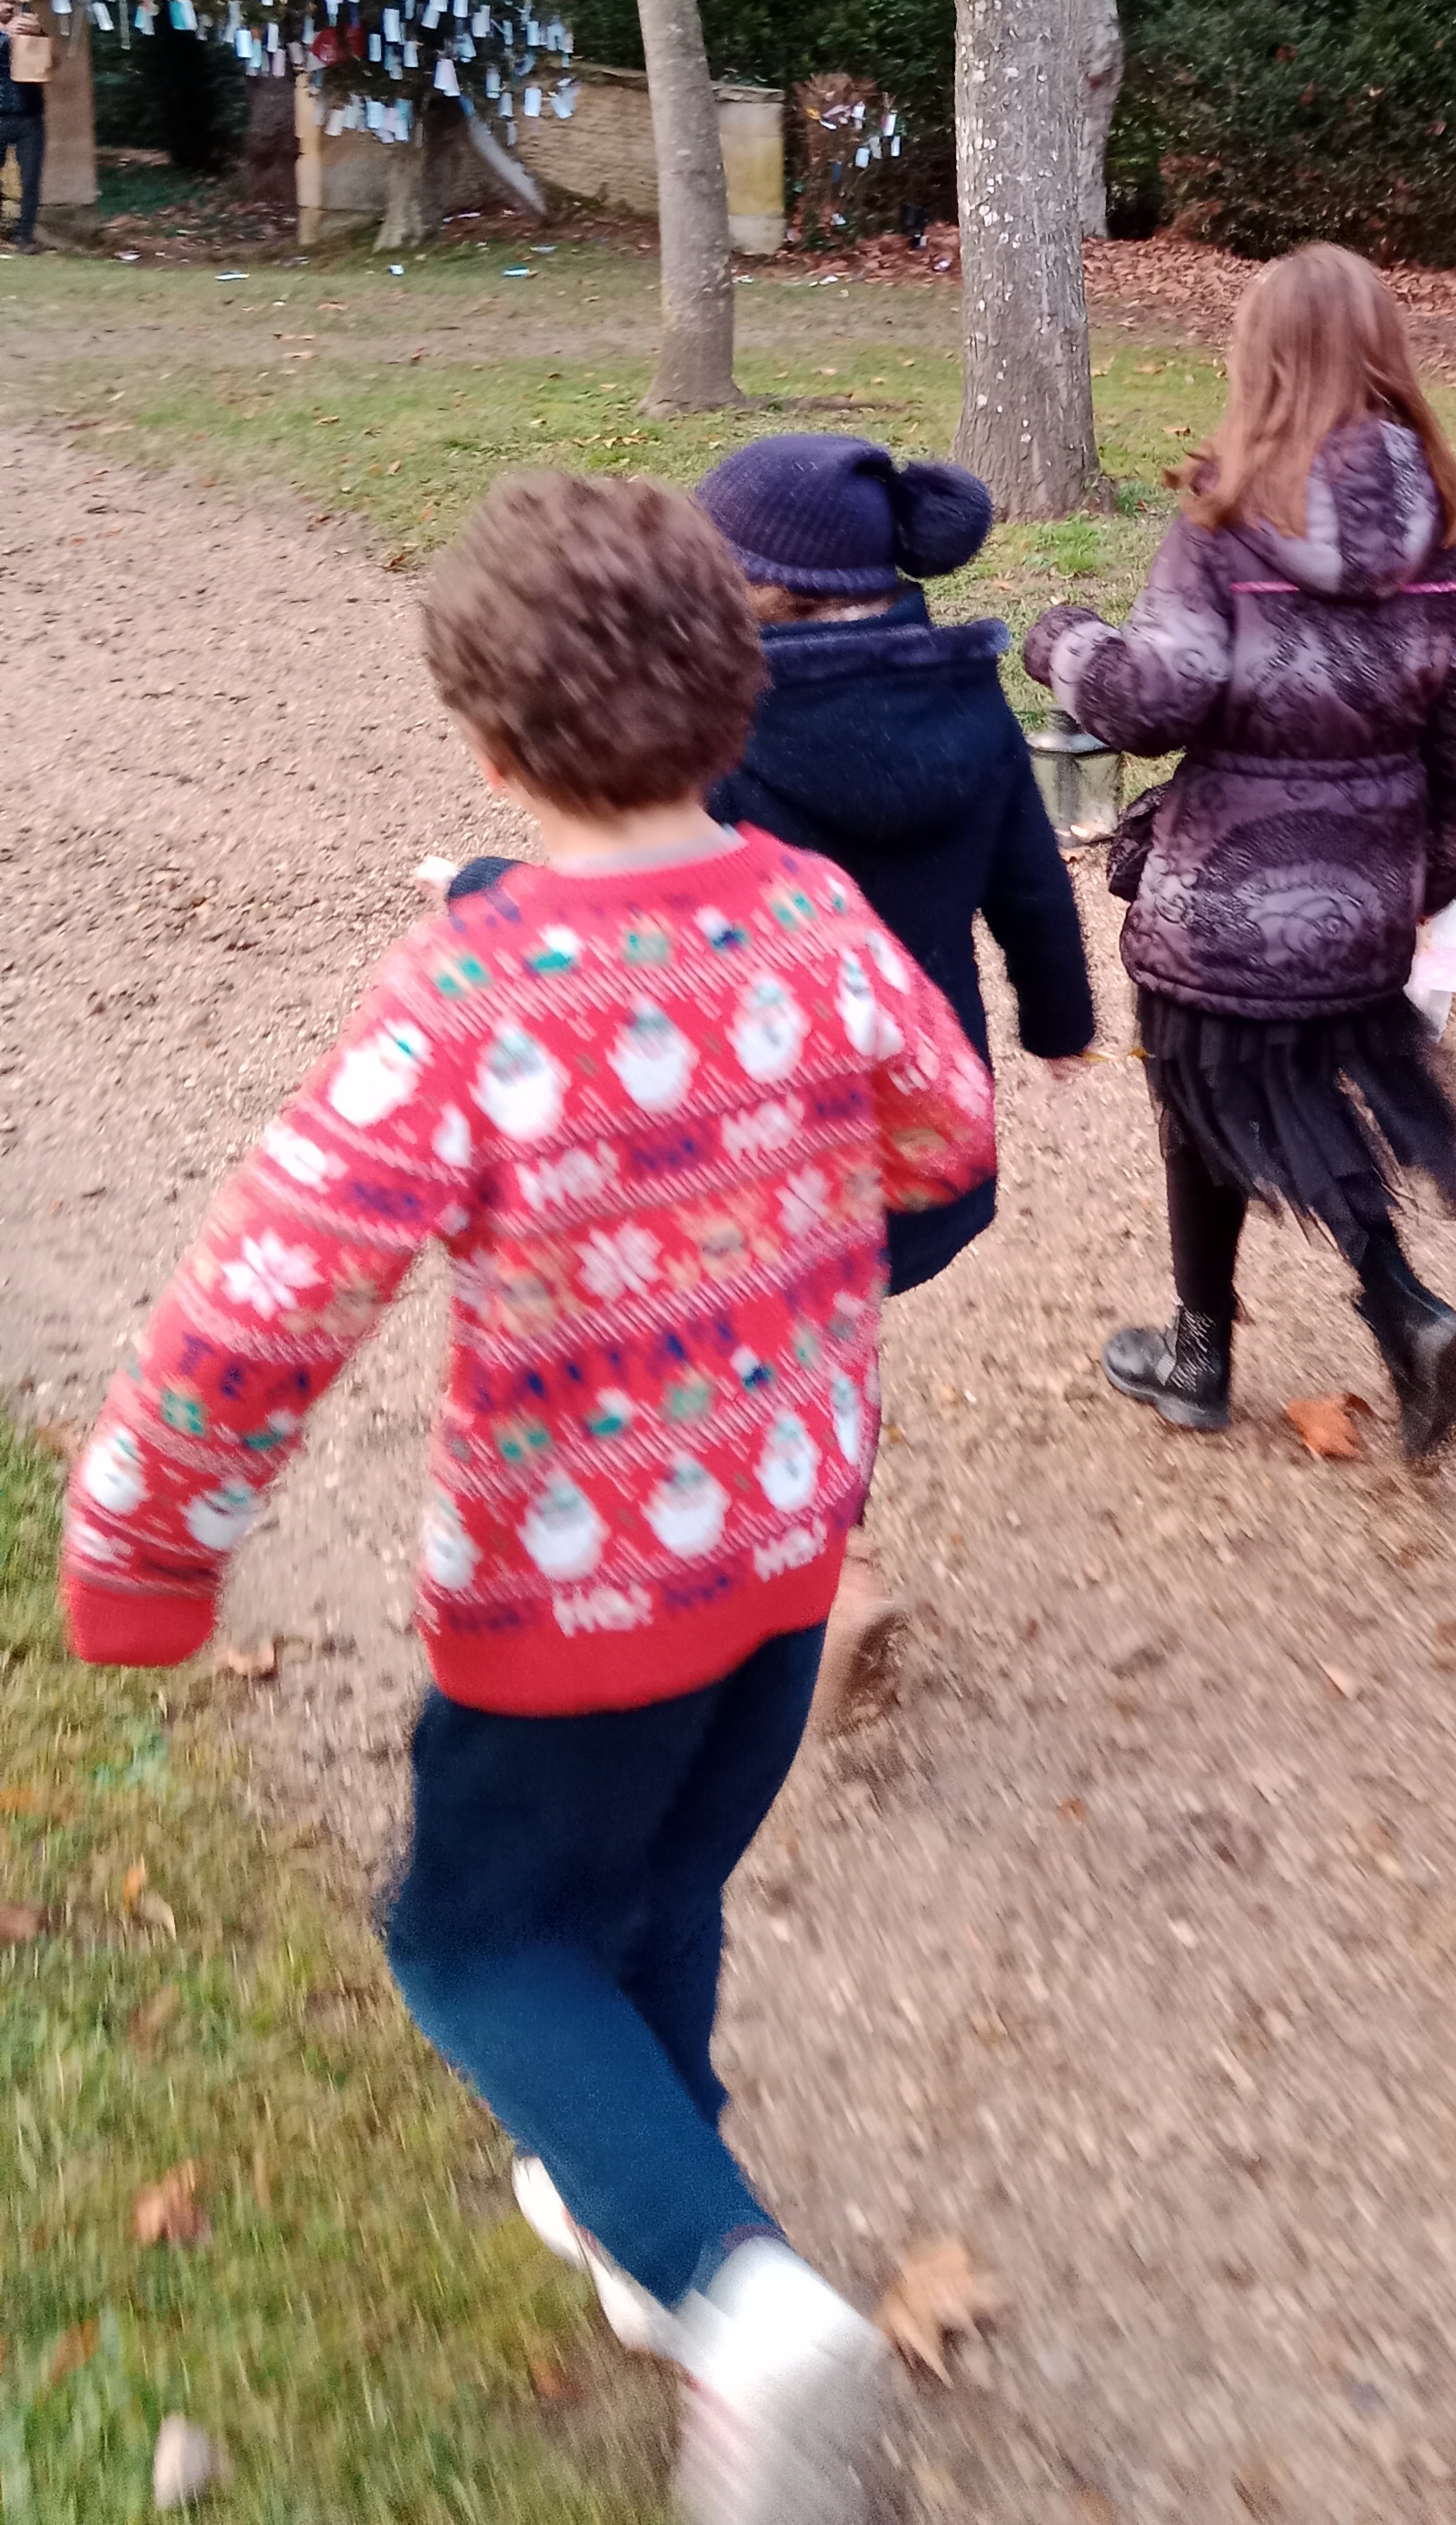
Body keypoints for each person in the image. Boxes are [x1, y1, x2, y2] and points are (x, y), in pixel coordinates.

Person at [61, 472, 996, 2525]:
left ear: (487, 744)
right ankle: (665, 2217)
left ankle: (738, 2296)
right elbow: (947, 1131)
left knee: (479, 1934)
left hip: (571, 1601)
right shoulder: (814, 914)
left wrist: (144, 1539)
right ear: (738, 698)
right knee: (657, 1890)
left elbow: (267, 1295)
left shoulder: (471, 984)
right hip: (782, 1546)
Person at [1023, 242, 1456, 1458]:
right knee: (1290, 1097)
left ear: (1261, 362)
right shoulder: (1439, 533)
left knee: (1200, 1097)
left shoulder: (1226, 523)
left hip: (1221, 903)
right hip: (1364, 902)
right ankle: (1386, 1314)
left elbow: (1152, 702)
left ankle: (1228, 1348)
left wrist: (1062, 641)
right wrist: (1421, 886)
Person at [696, 433, 1095, 1715]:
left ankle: (794, 1560)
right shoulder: (966, 701)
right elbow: (1029, 880)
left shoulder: (721, 728)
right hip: (912, 1102)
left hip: (756, 1110)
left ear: (765, 588)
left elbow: (647, 894)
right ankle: (831, 1557)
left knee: (751, 1329)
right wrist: (1060, 1023)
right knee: (838, 1322)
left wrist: (496, 897)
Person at [0, 0, 49, 250]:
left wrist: (38, 34)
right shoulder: (6, 33)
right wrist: (5, 36)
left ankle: (24, 237)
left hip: (30, 117)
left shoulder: (27, 31)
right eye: (2, 2)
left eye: (11, 2)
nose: (8, 6)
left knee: (30, 181)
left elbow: (51, 63)